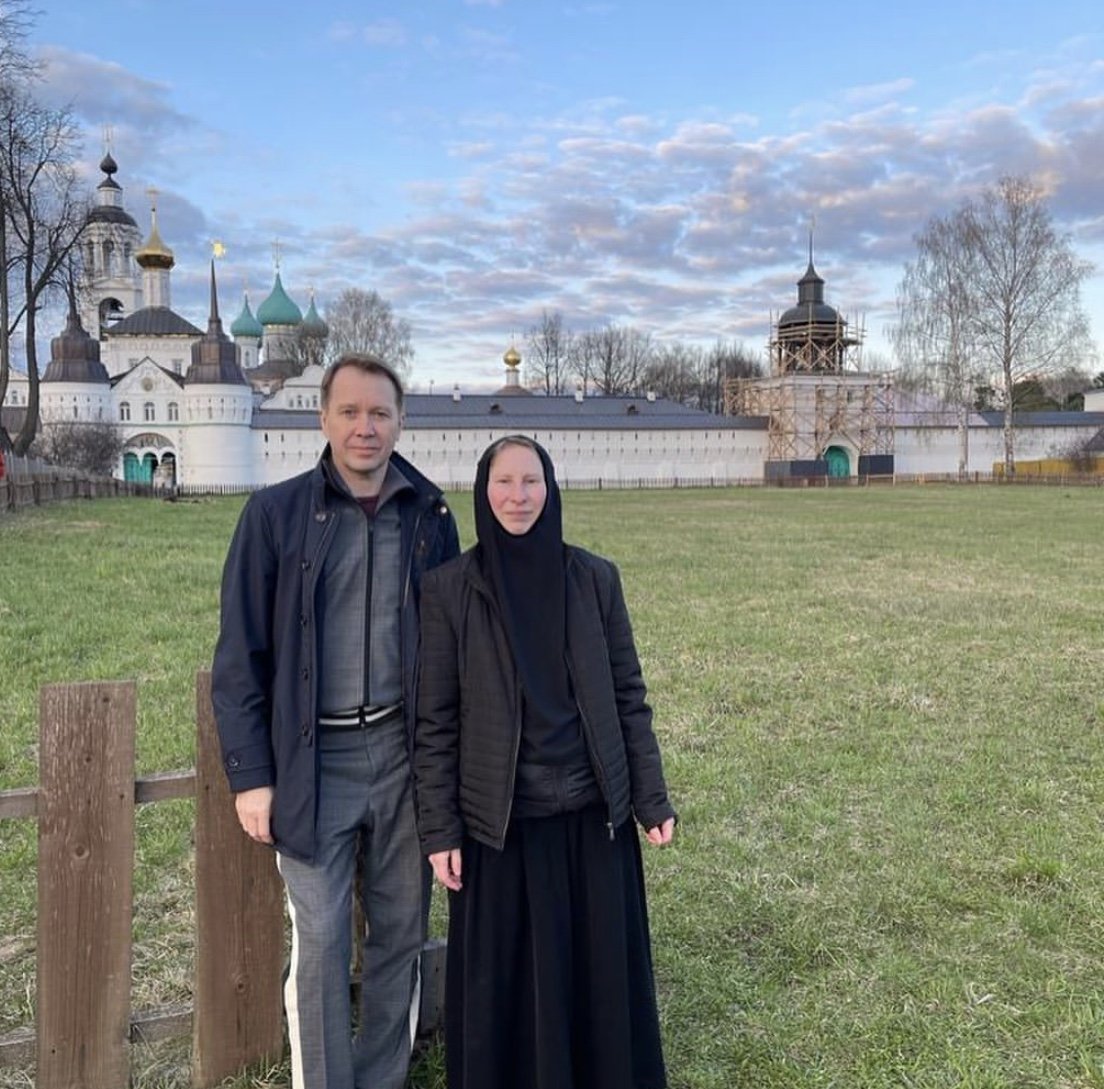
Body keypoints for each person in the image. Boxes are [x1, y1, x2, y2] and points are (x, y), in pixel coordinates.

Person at [211, 353, 460, 1089]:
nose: (365, 426)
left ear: (400, 421)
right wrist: (252, 775)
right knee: (320, 938)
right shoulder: (275, 515)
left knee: (400, 936)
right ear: (322, 418)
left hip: (401, 754)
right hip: (313, 760)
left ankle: (382, 1078)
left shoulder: (429, 514)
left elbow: (449, 648)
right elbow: (240, 654)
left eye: (379, 412)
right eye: (349, 411)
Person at [414, 435, 676, 1089]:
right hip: (502, 823)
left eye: (531, 481)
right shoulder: (449, 591)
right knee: (512, 974)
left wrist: (650, 795)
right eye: (503, 481)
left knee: (592, 966)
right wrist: (440, 828)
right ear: (482, 490)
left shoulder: (595, 578)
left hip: (592, 814)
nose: (517, 496)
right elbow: (435, 720)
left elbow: (627, 696)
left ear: (551, 488)